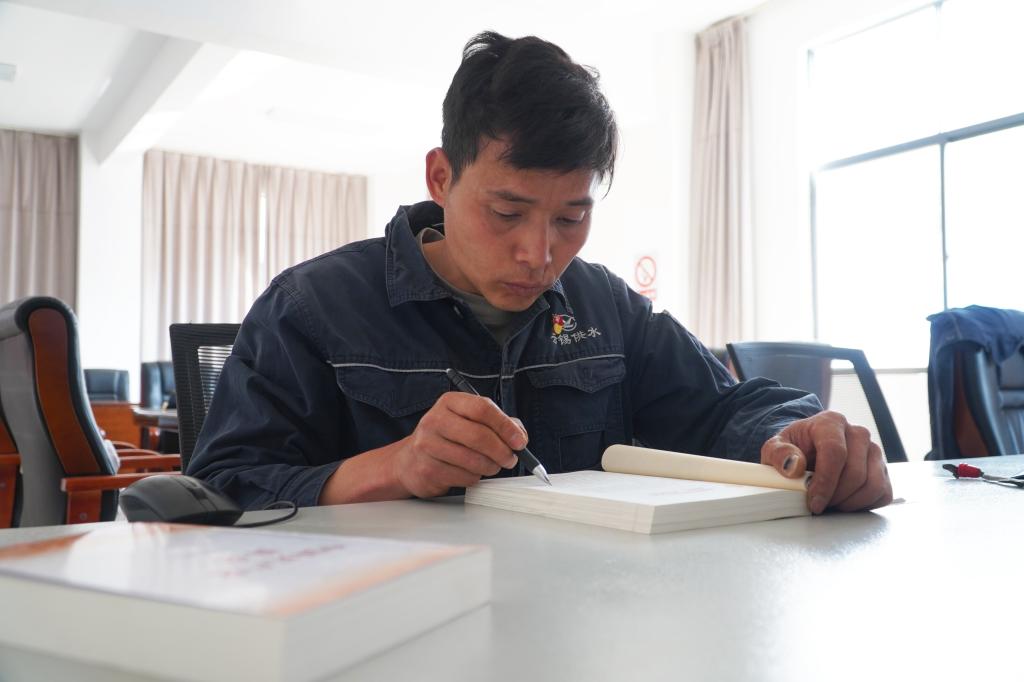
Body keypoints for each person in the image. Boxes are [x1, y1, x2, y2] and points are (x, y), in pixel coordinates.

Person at [187, 31, 892, 515]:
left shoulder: (603, 307)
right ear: (441, 177)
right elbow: (217, 489)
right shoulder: (313, 307)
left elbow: (723, 409)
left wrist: (800, 433)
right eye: (507, 212)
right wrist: (393, 467)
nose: (539, 253)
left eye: (570, 217)